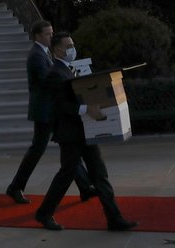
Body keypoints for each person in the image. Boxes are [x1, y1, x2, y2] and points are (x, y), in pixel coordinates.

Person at [34, 33, 137, 232]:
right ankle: (44, 213)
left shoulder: (70, 69)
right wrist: (87, 109)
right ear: (57, 50)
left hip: (85, 130)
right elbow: (60, 105)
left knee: (99, 173)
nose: (73, 48)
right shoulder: (55, 72)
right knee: (66, 174)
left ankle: (114, 219)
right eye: (69, 46)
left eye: (73, 44)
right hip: (70, 133)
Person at [6, 20, 94, 205]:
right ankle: (15, 187)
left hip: (51, 109)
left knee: (68, 147)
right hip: (45, 110)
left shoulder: (44, 53)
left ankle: (85, 187)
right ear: (38, 36)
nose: (51, 37)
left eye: (52, 33)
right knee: (38, 150)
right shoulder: (37, 56)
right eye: (47, 34)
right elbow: (50, 82)